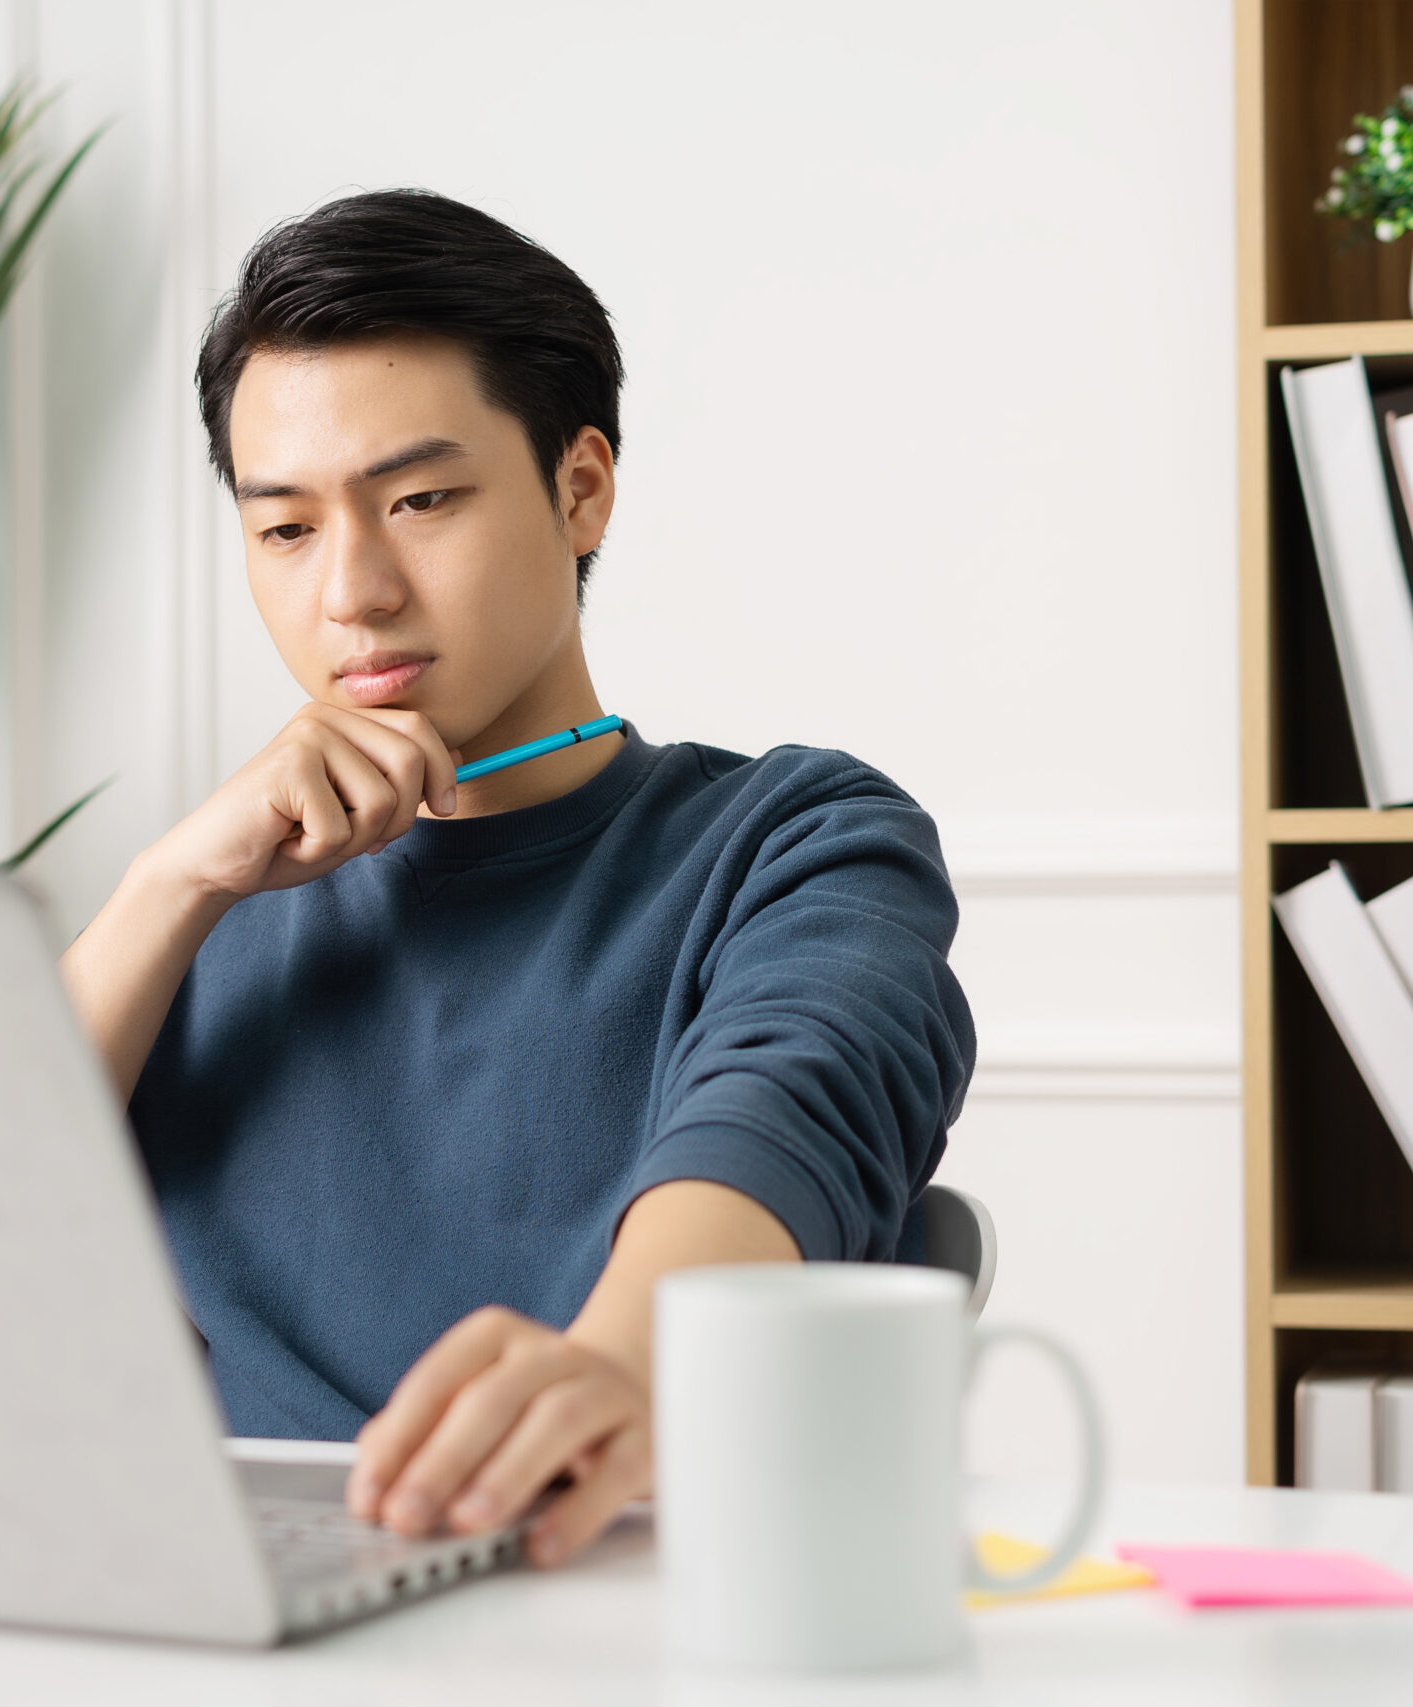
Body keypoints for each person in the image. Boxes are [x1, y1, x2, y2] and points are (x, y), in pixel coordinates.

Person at [60, 189, 974, 1568]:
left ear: (581, 488)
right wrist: (168, 886)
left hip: (623, 1596)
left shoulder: (799, 840)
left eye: (420, 499)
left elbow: (792, 1116)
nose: (354, 591)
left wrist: (618, 1366)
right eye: (287, 530)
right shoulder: (200, 912)